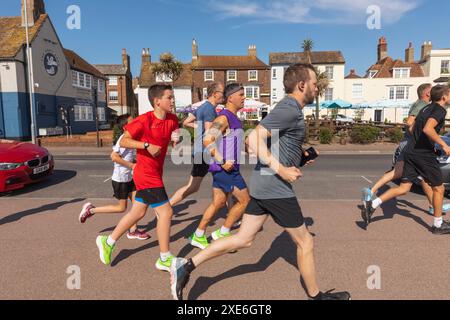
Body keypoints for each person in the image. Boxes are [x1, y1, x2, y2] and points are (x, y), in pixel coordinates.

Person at [169, 64, 351, 300]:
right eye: (315, 84)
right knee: (305, 242)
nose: (318, 88)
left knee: (243, 239)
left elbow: (253, 143)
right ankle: (317, 297)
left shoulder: (287, 109)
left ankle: (186, 265)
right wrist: (281, 169)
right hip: (274, 186)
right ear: (302, 85)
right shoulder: (289, 108)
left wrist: (297, 158)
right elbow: (254, 139)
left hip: (263, 184)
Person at [96, 84, 180, 270]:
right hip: (145, 174)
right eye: (169, 97)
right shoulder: (143, 120)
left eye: (173, 97)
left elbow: (174, 134)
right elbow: (124, 140)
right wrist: (146, 145)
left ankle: (108, 241)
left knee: (138, 212)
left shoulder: (173, 119)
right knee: (166, 212)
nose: (173, 101)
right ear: (157, 101)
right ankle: (164, 258)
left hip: (156, 172)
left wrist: (176, 139)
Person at [362, 85, 450, 235]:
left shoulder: (425, 108)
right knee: (439, 188)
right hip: (423, 155)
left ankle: (373, 204)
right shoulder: (440, 110)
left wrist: (425, 143)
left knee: (404, 188)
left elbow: (412, 128)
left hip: (411, 151)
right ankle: (437, 224)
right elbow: (427, 129)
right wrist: (443, 145)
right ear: (444, 97)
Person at [188, 83, 250, 250]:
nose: (244, 98)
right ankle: (223, 232)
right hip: (225, 168)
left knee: (218, 203)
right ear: (230, 98)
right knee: (245, 201)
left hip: (226, 167)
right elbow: (208, 139)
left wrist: (247, 149)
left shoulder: (234, 118)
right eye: (241, 94)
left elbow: (232, 140)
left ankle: (198, 235)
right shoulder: (223, 118)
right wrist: (222, 161)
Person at [79, 114, 150, 240]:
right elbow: (114, 157)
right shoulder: (124, 139)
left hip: (129, 177)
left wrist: (134, 162)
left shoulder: (130, 138)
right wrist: (131, 165)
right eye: (132, 122)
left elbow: (125, 156)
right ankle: (91, 210)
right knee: (121, 208)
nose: (136, 124)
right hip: (120, 179)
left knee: (137, 204)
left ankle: (133, 231)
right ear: (125, 127)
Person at [169, 82, 224, 207]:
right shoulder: (209, 109)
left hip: (200, 152)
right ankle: (166, 207)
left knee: (221, 182)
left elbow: (186, 122)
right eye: (222, 92)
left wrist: (199, 127)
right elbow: (210, 135)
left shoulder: (202, 107)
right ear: (215, 94)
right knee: (193, 187)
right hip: (205, 153)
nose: (224, 95)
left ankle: (230, 209)